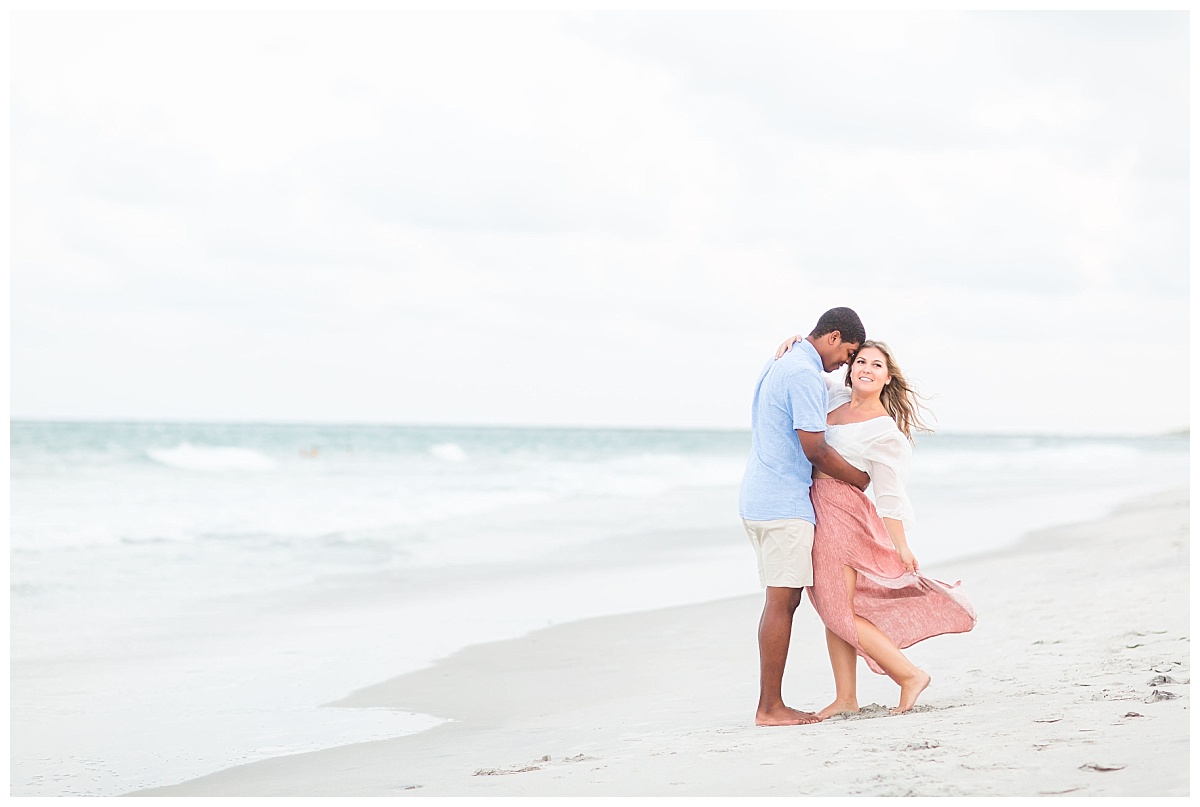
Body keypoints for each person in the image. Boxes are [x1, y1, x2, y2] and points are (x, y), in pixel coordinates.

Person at [775, 335, 977, 716]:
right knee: (831, 606)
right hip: (818, 505)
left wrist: (901, 544)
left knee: (837, 609)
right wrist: (796, 342)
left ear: (888, 378)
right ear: (851, 369)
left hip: (843, 514)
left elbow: (889, 494)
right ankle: (846, 697)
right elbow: (807, 372)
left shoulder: (885, 431)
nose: (866, 369)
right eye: (861, 362)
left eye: (876, 365)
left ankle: (909, 675)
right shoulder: (834, 397)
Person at [738, 307, 871, 727]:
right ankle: (769, 707)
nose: (845, 365)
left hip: (759, 497)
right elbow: (815, 449)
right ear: (832, 337)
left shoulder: (782, 358)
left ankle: (771, 704)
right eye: (848, 353)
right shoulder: (804, 375)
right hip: (782, 504)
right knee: (782, 603)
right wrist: (859, 479)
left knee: (783, 601)